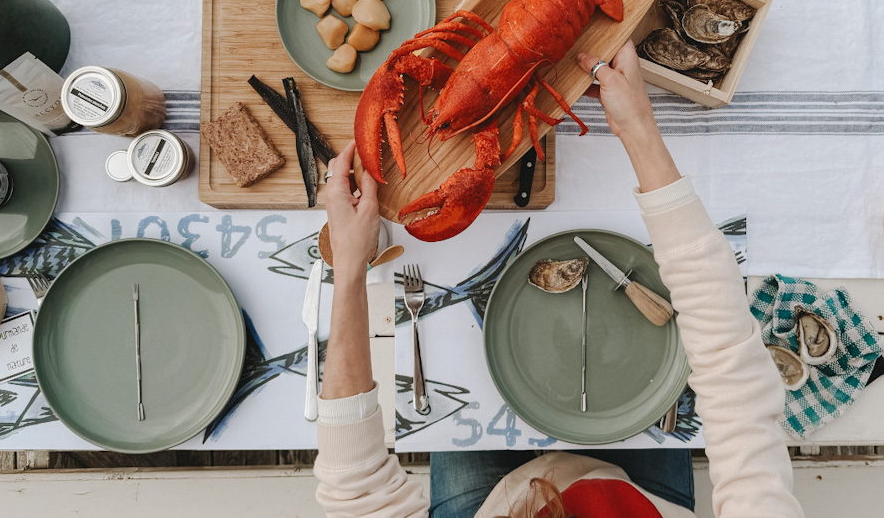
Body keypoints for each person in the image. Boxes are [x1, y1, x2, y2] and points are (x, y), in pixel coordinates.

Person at [314, 40, 804, 518]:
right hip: (642, 495)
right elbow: (733, 378)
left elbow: (355, 491)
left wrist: (351, 268)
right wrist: (638, 131)